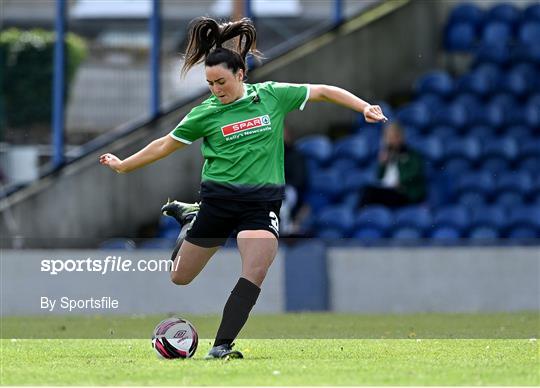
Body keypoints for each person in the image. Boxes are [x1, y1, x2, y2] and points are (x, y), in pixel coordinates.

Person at [100, 16, 387, 359]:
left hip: (261, 203)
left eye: (221, 81)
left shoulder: (271, 96)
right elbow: (165, 144)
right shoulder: (204, 114)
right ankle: (193, 219)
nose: (216, 89)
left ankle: (221, 346)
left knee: (256, 269)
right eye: (209, 83)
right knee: (179, 277)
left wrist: (364, 107)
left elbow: (324, 91)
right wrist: (123, 165)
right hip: (218, 201)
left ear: (240, 74)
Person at [358, 121, 426, 208]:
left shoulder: (412, 155)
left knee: (371, 193)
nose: (389, 141)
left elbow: (415, 173)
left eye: (392, 137)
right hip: (387, 190)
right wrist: (382, 164)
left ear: (400, 137)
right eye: (387, 137)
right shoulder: (387, 154)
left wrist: (401, 181)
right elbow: (379, 177)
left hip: (403, 193)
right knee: (367, 191)